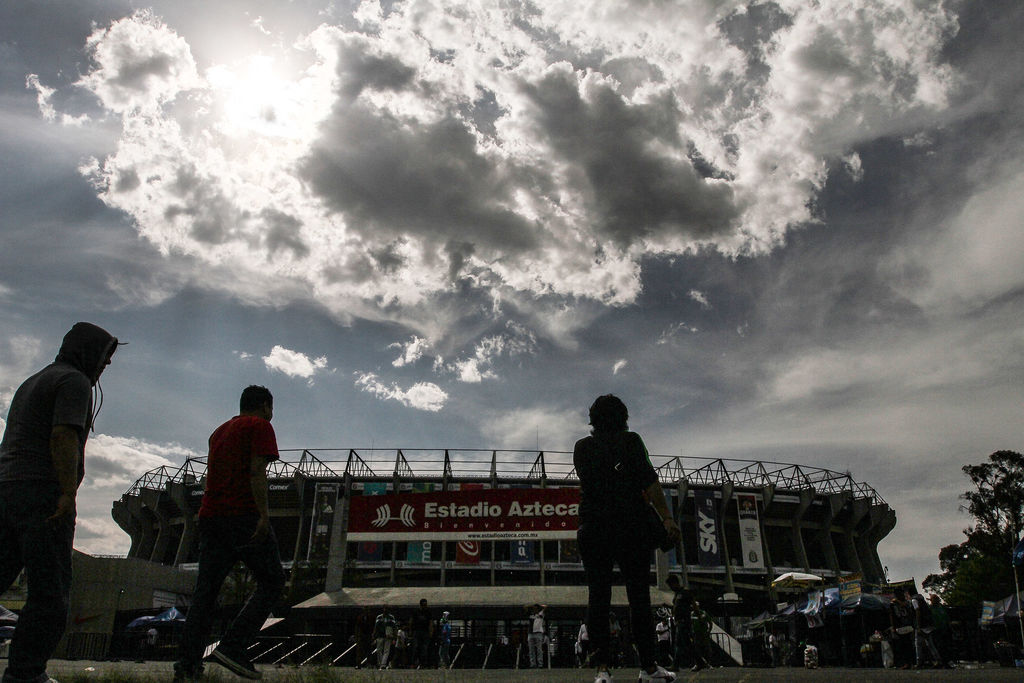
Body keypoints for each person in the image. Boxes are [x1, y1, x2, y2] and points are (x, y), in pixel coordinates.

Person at [0, 322, 119, 683]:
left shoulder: (34, 380)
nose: (106, 365)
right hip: (41, 493)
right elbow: (63, 435)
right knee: (49, 594)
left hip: (6, 488)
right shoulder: (75, 382)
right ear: (88, 352)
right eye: (105, 356)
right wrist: (67, 491)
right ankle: (25, 673)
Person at [174, 386, 286, 682]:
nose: (272, 414)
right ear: (264, 406)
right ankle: (233, 647)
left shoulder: (220, 430)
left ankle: (186, 666)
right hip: (243, 516)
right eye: (271, 408)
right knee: (273, 581)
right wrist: (263, 515)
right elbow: (256, 472)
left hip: (211, 517)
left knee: (206, 593)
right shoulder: (260, 426)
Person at [574, 394, 681, 683]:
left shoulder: (582, 448)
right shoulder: (632, 441)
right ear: (624, 417)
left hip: (594, 526)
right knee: (639, 597)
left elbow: (594, 482)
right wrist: (667, 518)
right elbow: (650, 482)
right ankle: (648, 668)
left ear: (593, 418)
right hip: (631, 527)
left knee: (598, 597)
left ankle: (603, 671)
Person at [910, 590, 943, 668]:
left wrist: (918, 626)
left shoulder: (914, 600)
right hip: (928, 625)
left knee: (918, 644)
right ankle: (938, 660)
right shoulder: (922, 601)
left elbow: (917, 611)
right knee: (930, 644)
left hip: (921, 625)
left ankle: (919, 662)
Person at [665, 575, 692, 671]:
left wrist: (699, 617)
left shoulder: (685, 592)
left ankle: (675, 665)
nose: (671, 588)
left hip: (684, 621)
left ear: (675, 583)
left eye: (671, 585)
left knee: (679, 643)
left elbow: (692, 604)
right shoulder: (677, 594)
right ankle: (701, 662)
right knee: (686, 644)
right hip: (678, 621)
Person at [410, 598, 434, 669]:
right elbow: (411, 621)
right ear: (421, 605)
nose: (425, 606)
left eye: (426, 605)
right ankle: (413, 663)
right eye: (424, 605)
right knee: (416, 647)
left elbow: (431, 623)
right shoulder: (416, 612)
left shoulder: (428, 612)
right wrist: (411, 631)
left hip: (425, 632)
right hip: (417, 631)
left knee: (424, 648)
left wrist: (431, 633)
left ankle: (423, 664)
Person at [689, 600, 712, 671]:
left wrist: (709, 630)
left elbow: (710, 622)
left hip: (704, 634)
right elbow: (690, 625)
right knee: (697, 650)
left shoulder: (704, 613)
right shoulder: (691, 614)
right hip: (696, 634)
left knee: (706, 648)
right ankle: (697, 664)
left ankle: (708, 664)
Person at [373, 605, 398, 669]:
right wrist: (374, 634)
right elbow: (376, 626)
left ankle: (383, 664)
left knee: (386, 650)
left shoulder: (391, 617)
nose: (385, 610)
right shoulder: (379, 617)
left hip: (388, 635)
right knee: (379, 650)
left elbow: (394, 627)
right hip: (380, 635)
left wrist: (394, 636)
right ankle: (380, 663)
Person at [526, 603, 546, 668]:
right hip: (530, 633)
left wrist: (538, 605)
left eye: (536, 608)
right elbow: (525, 607)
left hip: (538, 633)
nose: (534, 610)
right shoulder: (530, 614)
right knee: (531, 650)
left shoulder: (541, 614)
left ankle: (540, 664)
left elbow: (545, 607)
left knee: (539, 649)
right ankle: (533, 664)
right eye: (533, 608)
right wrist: (531, 605)